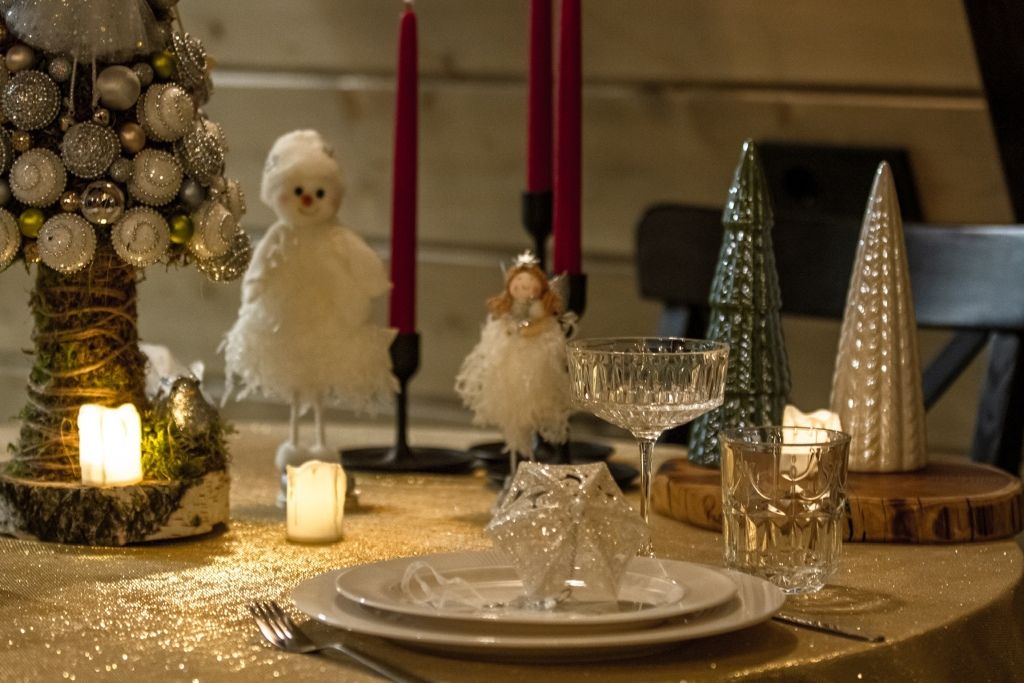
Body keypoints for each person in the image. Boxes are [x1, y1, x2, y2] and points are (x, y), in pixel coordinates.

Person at [222, 130, 396, 503]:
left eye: (318, 192)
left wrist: (371, 283)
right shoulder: (279, 237)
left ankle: (319, 442)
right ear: (276, 193)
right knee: (296, 379)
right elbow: (259, 269)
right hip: (284, 319)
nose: (307, 200)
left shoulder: (337, 238)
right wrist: (252, 291)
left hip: (329, 319)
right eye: (298, 190)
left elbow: (364, 265)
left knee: (318, 383)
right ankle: (294, 443)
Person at [455, 252, 574, 461]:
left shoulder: (541, 312)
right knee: (514, 413)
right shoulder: (507, 311)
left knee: (536, 407)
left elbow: (544, 328)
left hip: (535, 366)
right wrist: (512, 330)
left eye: (529, 284)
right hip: (511, 367)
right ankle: (516, 458)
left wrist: (527, 330)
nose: (524, 288)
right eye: (519, 283)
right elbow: (503, 328)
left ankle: (532, 455)